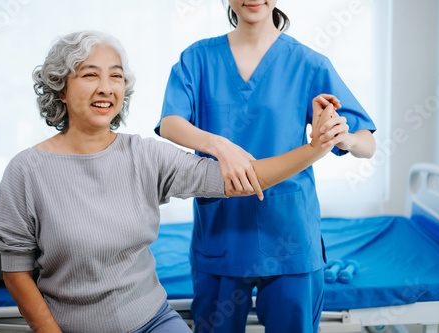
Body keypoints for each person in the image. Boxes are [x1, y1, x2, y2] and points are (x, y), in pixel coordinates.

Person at [0, 30, 339, 333]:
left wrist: (315, 148)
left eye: (116, 76)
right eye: (89, 75)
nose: (106, 87)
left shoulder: (144, 156)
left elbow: (239, 181)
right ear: (61, 89)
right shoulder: (26, 171)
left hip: (153, 320)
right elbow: (16, 272)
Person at [156, 2, 377, 333]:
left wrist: (342, 137)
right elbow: (171, 122)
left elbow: (367, 143)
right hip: (221, 233)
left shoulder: (309, 63)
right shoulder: (198, 58)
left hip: (289, 237)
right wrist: (221, 145)